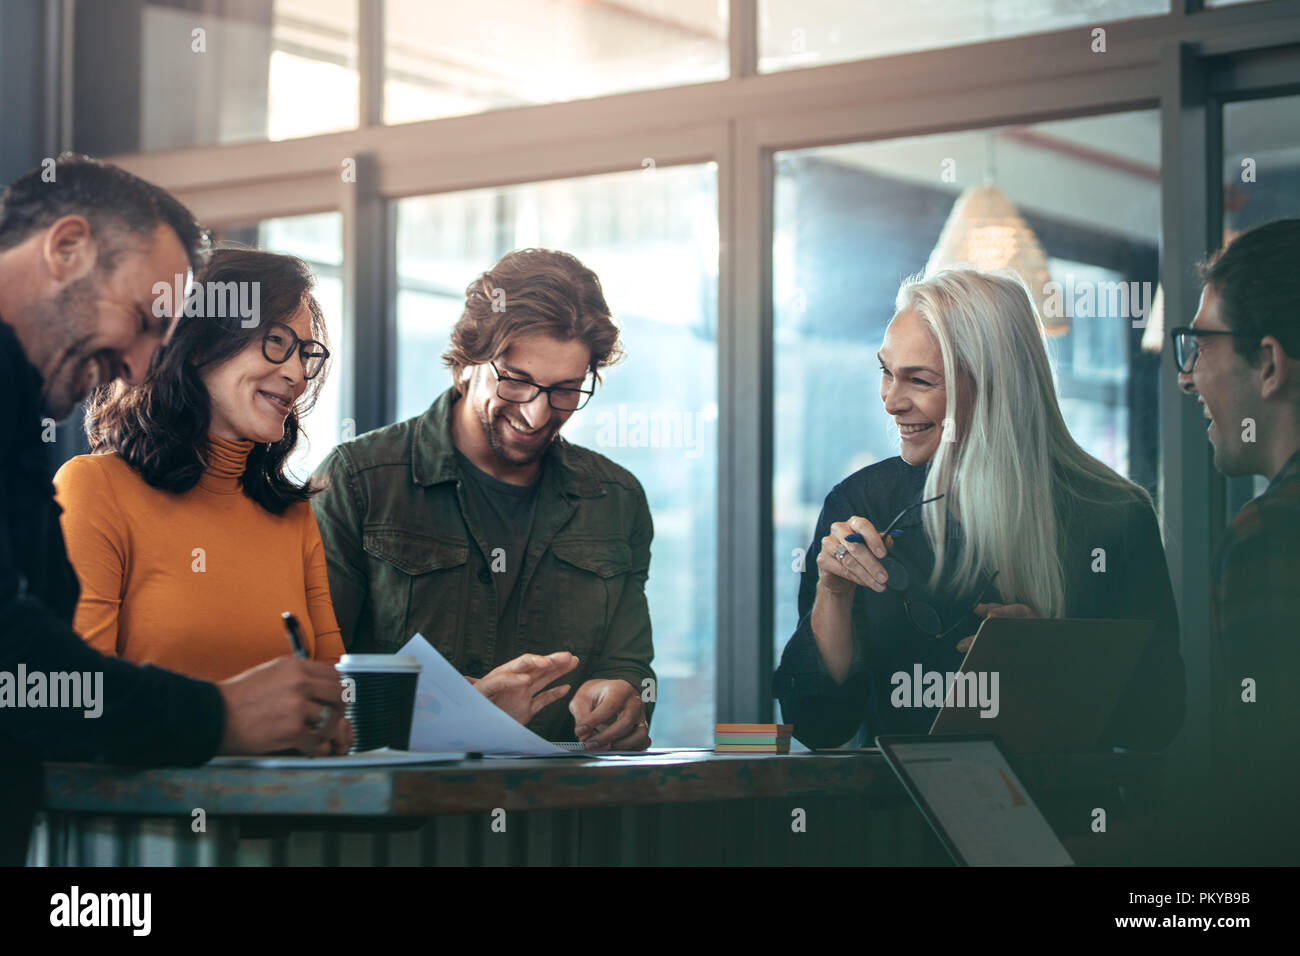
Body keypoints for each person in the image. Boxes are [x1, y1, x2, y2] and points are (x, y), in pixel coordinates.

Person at [0, 154, 348, 866]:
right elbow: (28, 670)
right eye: (144, 319)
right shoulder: (84, 476)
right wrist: (219, 716)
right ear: (66, 248)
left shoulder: (17, 418)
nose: (138, 363)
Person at [773, 268, 1185, 753]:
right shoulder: (862, 504)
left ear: (995, 386)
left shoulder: (1112, 514)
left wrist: (1055, 663)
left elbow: (1159, 718)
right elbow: (817, 725)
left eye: (919, 381)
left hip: (1059, 818)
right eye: (885, 371)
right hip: (896, 818)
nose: (890, 401)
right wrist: (832, 593)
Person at [313, 248, 655, 750]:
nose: (537, 415)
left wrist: (617, 696)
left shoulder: (615, 498)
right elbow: (315, 683)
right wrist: (451, 713)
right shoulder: (359, 481)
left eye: (566, 390)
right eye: (516, 382)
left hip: (560, 814)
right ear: (466, 361)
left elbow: (628, 666)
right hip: (399, 813)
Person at [53, 247, 346, 681]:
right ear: (195, 346)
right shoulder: (94, 489)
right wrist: (228, 721)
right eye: (277, 343)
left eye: (305, 353)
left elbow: (336, 695)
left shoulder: (292, 514)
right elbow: (80, 698)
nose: (298, 375)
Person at [1171, 218, 1300, 864]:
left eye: (1199, 348)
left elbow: (1269, 801)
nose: (1186, 378)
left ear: (1269, 364)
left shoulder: (1271, 535)